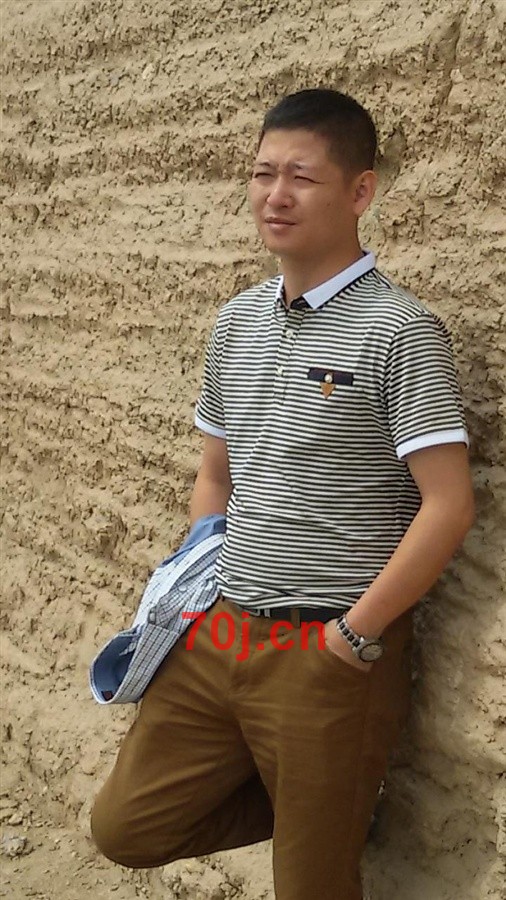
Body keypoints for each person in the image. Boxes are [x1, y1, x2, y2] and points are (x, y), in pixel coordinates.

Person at [91, 88, 475, 900]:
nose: (276, 195)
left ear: (360, 191)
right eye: (263, 174)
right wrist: (199, 579)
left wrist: (353, 638)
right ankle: (328, 805)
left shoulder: (400, 331)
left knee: (311, 887)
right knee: (127, 828)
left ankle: (330, 811)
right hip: (218, 633)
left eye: (301, 177)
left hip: (327, 652)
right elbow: (216, 474)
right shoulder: (237, 322)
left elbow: (448, 505)